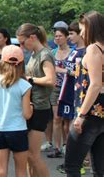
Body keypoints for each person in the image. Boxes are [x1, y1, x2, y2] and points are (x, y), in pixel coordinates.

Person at [65, 11, 104, 176]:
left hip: (89, 113)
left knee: (72, 166)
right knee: (99, 169)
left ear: (92, 28)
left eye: (83, 29)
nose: (81, 33)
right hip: (101, 113)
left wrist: (81, 115)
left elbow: (94, 84)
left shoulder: (94, 49)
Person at [0, 45, 33, 177]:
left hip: (0, 130)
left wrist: (0, 109)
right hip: (18, 130)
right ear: (21, 63)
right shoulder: (25, 85)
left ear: (2, 62)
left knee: (1, 170)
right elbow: (27, 114)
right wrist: (31, 107)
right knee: (21, 171)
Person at [16, 23, 56, 177]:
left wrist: (29, 79)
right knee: (27, 156)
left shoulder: (45, 54)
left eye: (22, 42)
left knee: (34, 155)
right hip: (31, 107)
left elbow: (51, 80)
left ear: (32, 37)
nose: (21, 46)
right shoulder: (33, 54)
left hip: (40, 109)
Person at [56, 21, 87, 174]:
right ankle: (71, 160)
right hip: (68, 92)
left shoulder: (87, 52)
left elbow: (80, 74)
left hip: (79, 95)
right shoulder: (74, 51)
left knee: (75, 129)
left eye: (72, 34)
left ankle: (80, 162)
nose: (69, 37)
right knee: (67, 126)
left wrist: (60, 70)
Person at [48, 27, 71, 158]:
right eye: (56, 36)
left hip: (68, 88)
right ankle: (57, 147)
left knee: (66, 120)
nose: (57, 38)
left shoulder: (72, 52)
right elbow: (51, 68)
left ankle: (66, 145)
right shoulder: (52, 52)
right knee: (57, 118)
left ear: (66, 37)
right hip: (55, 88)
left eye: (60, 36)